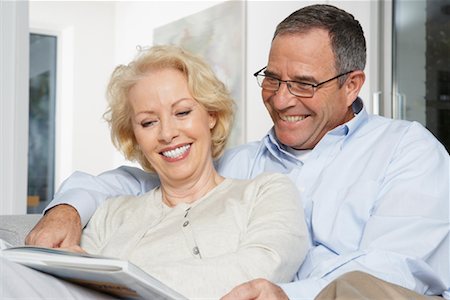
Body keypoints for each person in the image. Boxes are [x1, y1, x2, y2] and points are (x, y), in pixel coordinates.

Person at [26, 4, 450, 300]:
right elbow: (141, 179)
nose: (281, 100)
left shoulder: (405, 150)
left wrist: (287, 295)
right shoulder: (243, 162)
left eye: (303, 83)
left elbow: (393, 271)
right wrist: (67, 209)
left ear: (352, 85)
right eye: (271, 78)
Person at [3, 45, 308, 299]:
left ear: (211, 115)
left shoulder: (266, 192)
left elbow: (260, 268)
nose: (167, 133)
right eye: (148, 122)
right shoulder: (112, 212)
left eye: (183, 112)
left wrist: (120, 279)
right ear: (134, 135)